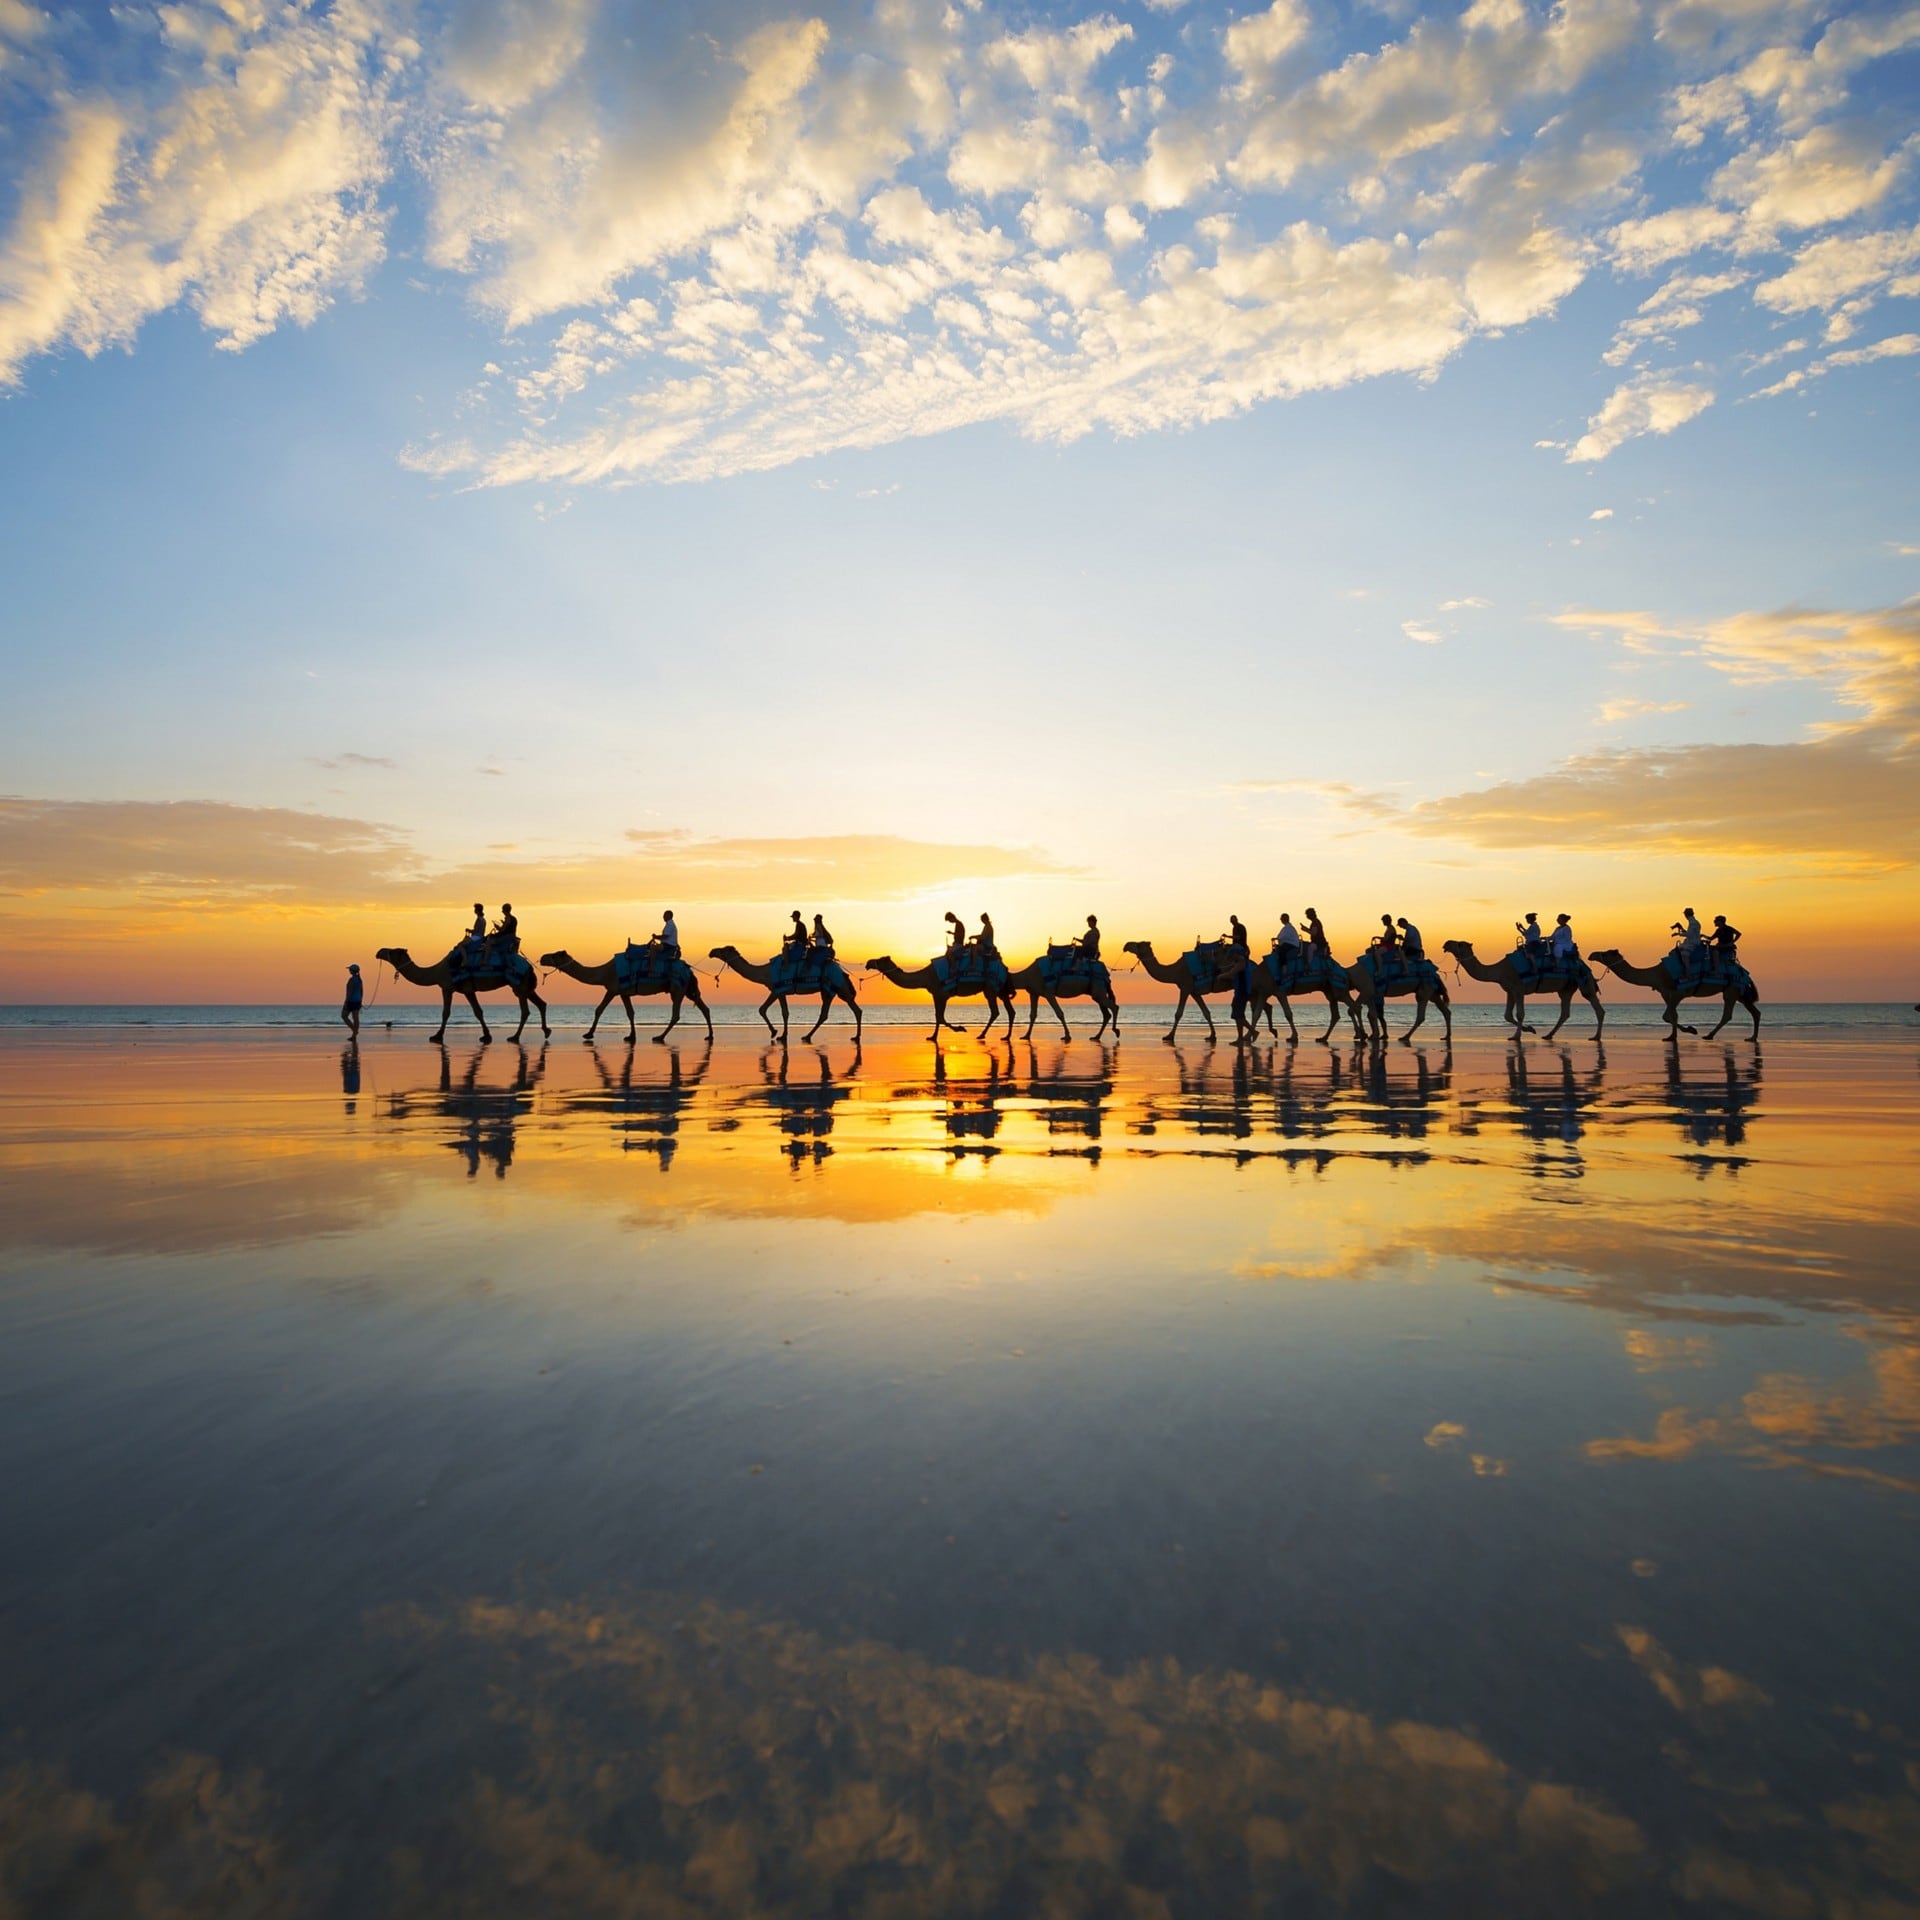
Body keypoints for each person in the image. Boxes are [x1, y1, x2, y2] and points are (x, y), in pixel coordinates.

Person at [341, 963, 363, 1038]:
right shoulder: (359, 979)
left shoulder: (351, 980)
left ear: (352, 971)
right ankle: (354, 1035)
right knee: (355, 1018)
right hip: (358, 1000)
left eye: (350, 970)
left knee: (344, 1016)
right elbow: (361, 991)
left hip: (351, 1001)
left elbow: (349, 992)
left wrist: (346, 1001)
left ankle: (355, 1031)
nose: (349, 971)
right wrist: (360, 1000)